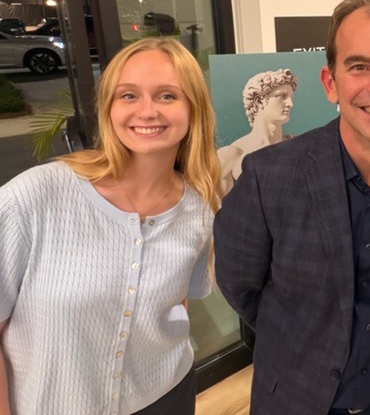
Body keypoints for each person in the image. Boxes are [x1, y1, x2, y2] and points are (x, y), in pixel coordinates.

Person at [214, 0, 370, 415]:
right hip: (295, 398)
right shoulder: (270, 177)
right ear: (330, 83)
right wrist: (302, 341)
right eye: (360, 66)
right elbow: (240, 286)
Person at [0, 37, 219, 415]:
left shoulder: (200, 209)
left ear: (193, 109)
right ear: (109, 108)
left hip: (165, 397)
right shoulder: (34, 197)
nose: (147, 111)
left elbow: (176, 304)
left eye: (167, 95)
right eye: (128, 96)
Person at [217, 68, 298, 194]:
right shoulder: (232, 155)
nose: (290, 104)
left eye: (291, 97)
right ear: (259, 101)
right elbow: (222, 208)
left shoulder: (297, 147)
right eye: (282, 96)